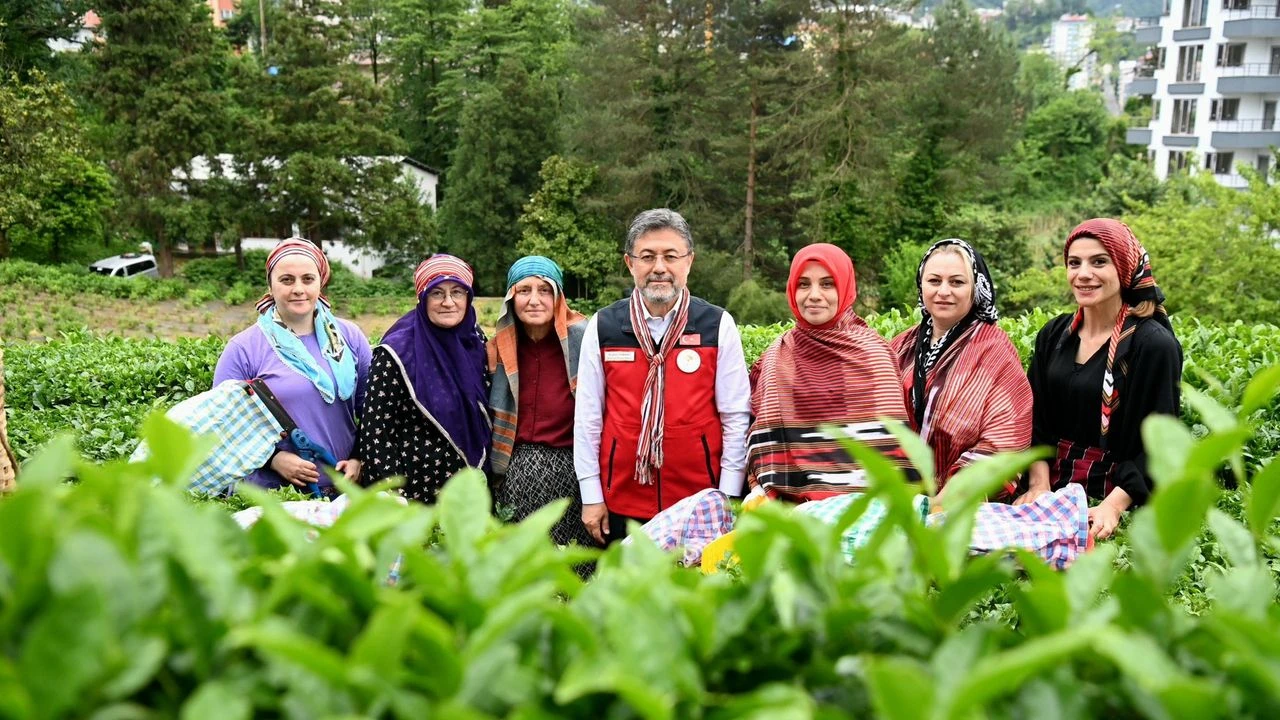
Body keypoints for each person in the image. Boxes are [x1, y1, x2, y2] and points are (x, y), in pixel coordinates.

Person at [575, 208, 752, 546]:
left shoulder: (716, 325)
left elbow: (735, 417)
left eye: (671, 256)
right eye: (647, 256)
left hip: (698, 501)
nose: (659, 267)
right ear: (630, 263)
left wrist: (727, 499)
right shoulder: (604, 326)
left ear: (689, 262)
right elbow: (587, 419)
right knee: (629, 594)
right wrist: (591, 495)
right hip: (621, 499)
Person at [1014, 219, 1182, 540]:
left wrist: (1113, 506)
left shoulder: (1153, 345)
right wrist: (1038, 486)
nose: (1084, 274)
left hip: (1116, 485)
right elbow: (1035, 417)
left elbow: (1161, 441)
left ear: (1125, 267)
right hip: (1051, 478)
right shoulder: (1055, 334)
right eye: (1074, 263)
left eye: (1099, 262)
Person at [746, 243, 917, 502]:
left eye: (827, 284)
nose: (814, 295)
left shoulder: (872, 355)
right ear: (791, 290)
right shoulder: (776, 355)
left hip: (866, 507)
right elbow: (762, 436)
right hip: (788, 507)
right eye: (804, 284)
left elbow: (889, 446)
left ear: (845, 288)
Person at [213, 237, 372, 494]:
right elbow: (221, 427)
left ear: (320, 283)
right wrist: (273, 459)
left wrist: (358, 458)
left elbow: (374, 412)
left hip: (347, 491)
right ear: (271, 285)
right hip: (275, 496)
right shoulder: (244, 349)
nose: (298, 288)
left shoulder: (349, 337)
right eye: (287, 280)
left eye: (308, 279)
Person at [889, 239, 1032, 499]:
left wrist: (945, 500)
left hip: (965, 502)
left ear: (975, 289)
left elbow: (1005, 437)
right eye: (934, 281)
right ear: (921, 286)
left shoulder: (995, 350)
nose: (944, 291)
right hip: (898, 493)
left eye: (957, 282)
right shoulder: (902, 345)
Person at [357, 254, 491, 503]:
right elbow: (376, 432)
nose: (448, 302)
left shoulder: (476, 343)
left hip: (472, 496)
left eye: (458, 292)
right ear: (422, 297)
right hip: (415, 497)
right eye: (437, 292)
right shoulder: (396, 352)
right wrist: (393, 498)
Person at [488, 255, 595, 546]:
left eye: (544, 290)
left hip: (572, 475)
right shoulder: (499, 347)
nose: (534, 300)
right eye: (524, 291)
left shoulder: (585, 342)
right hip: (513, 474)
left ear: (558, 296)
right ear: (511, 298)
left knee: (572, 571)